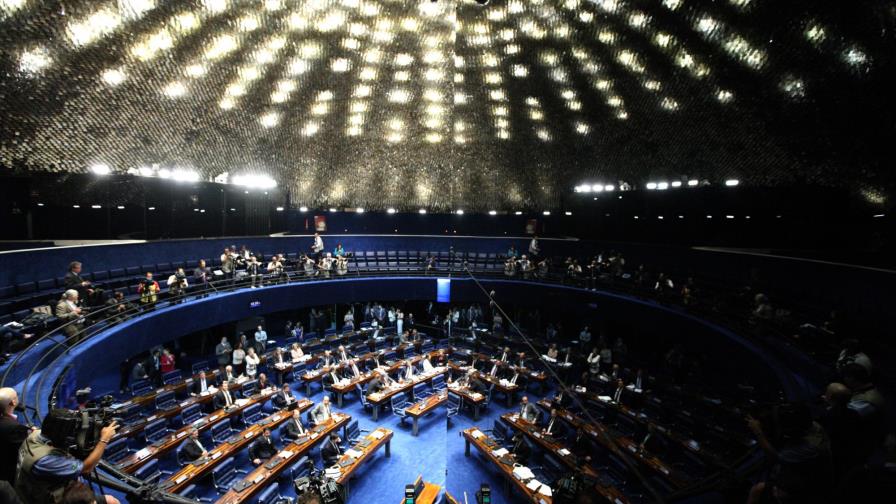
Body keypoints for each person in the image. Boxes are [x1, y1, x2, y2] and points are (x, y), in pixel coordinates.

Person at [15, 409, 119, 504]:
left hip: (33, 487)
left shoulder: (36, 435)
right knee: (111, 501)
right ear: (61, 434)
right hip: (45, 498)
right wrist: (104, 439)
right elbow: (86, 468)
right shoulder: (45, 460)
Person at [1, 388, 29, 484]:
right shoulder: (15, 428)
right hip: (8, 478)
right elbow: (23, 453)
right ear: (13, 402)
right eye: (16, 396)